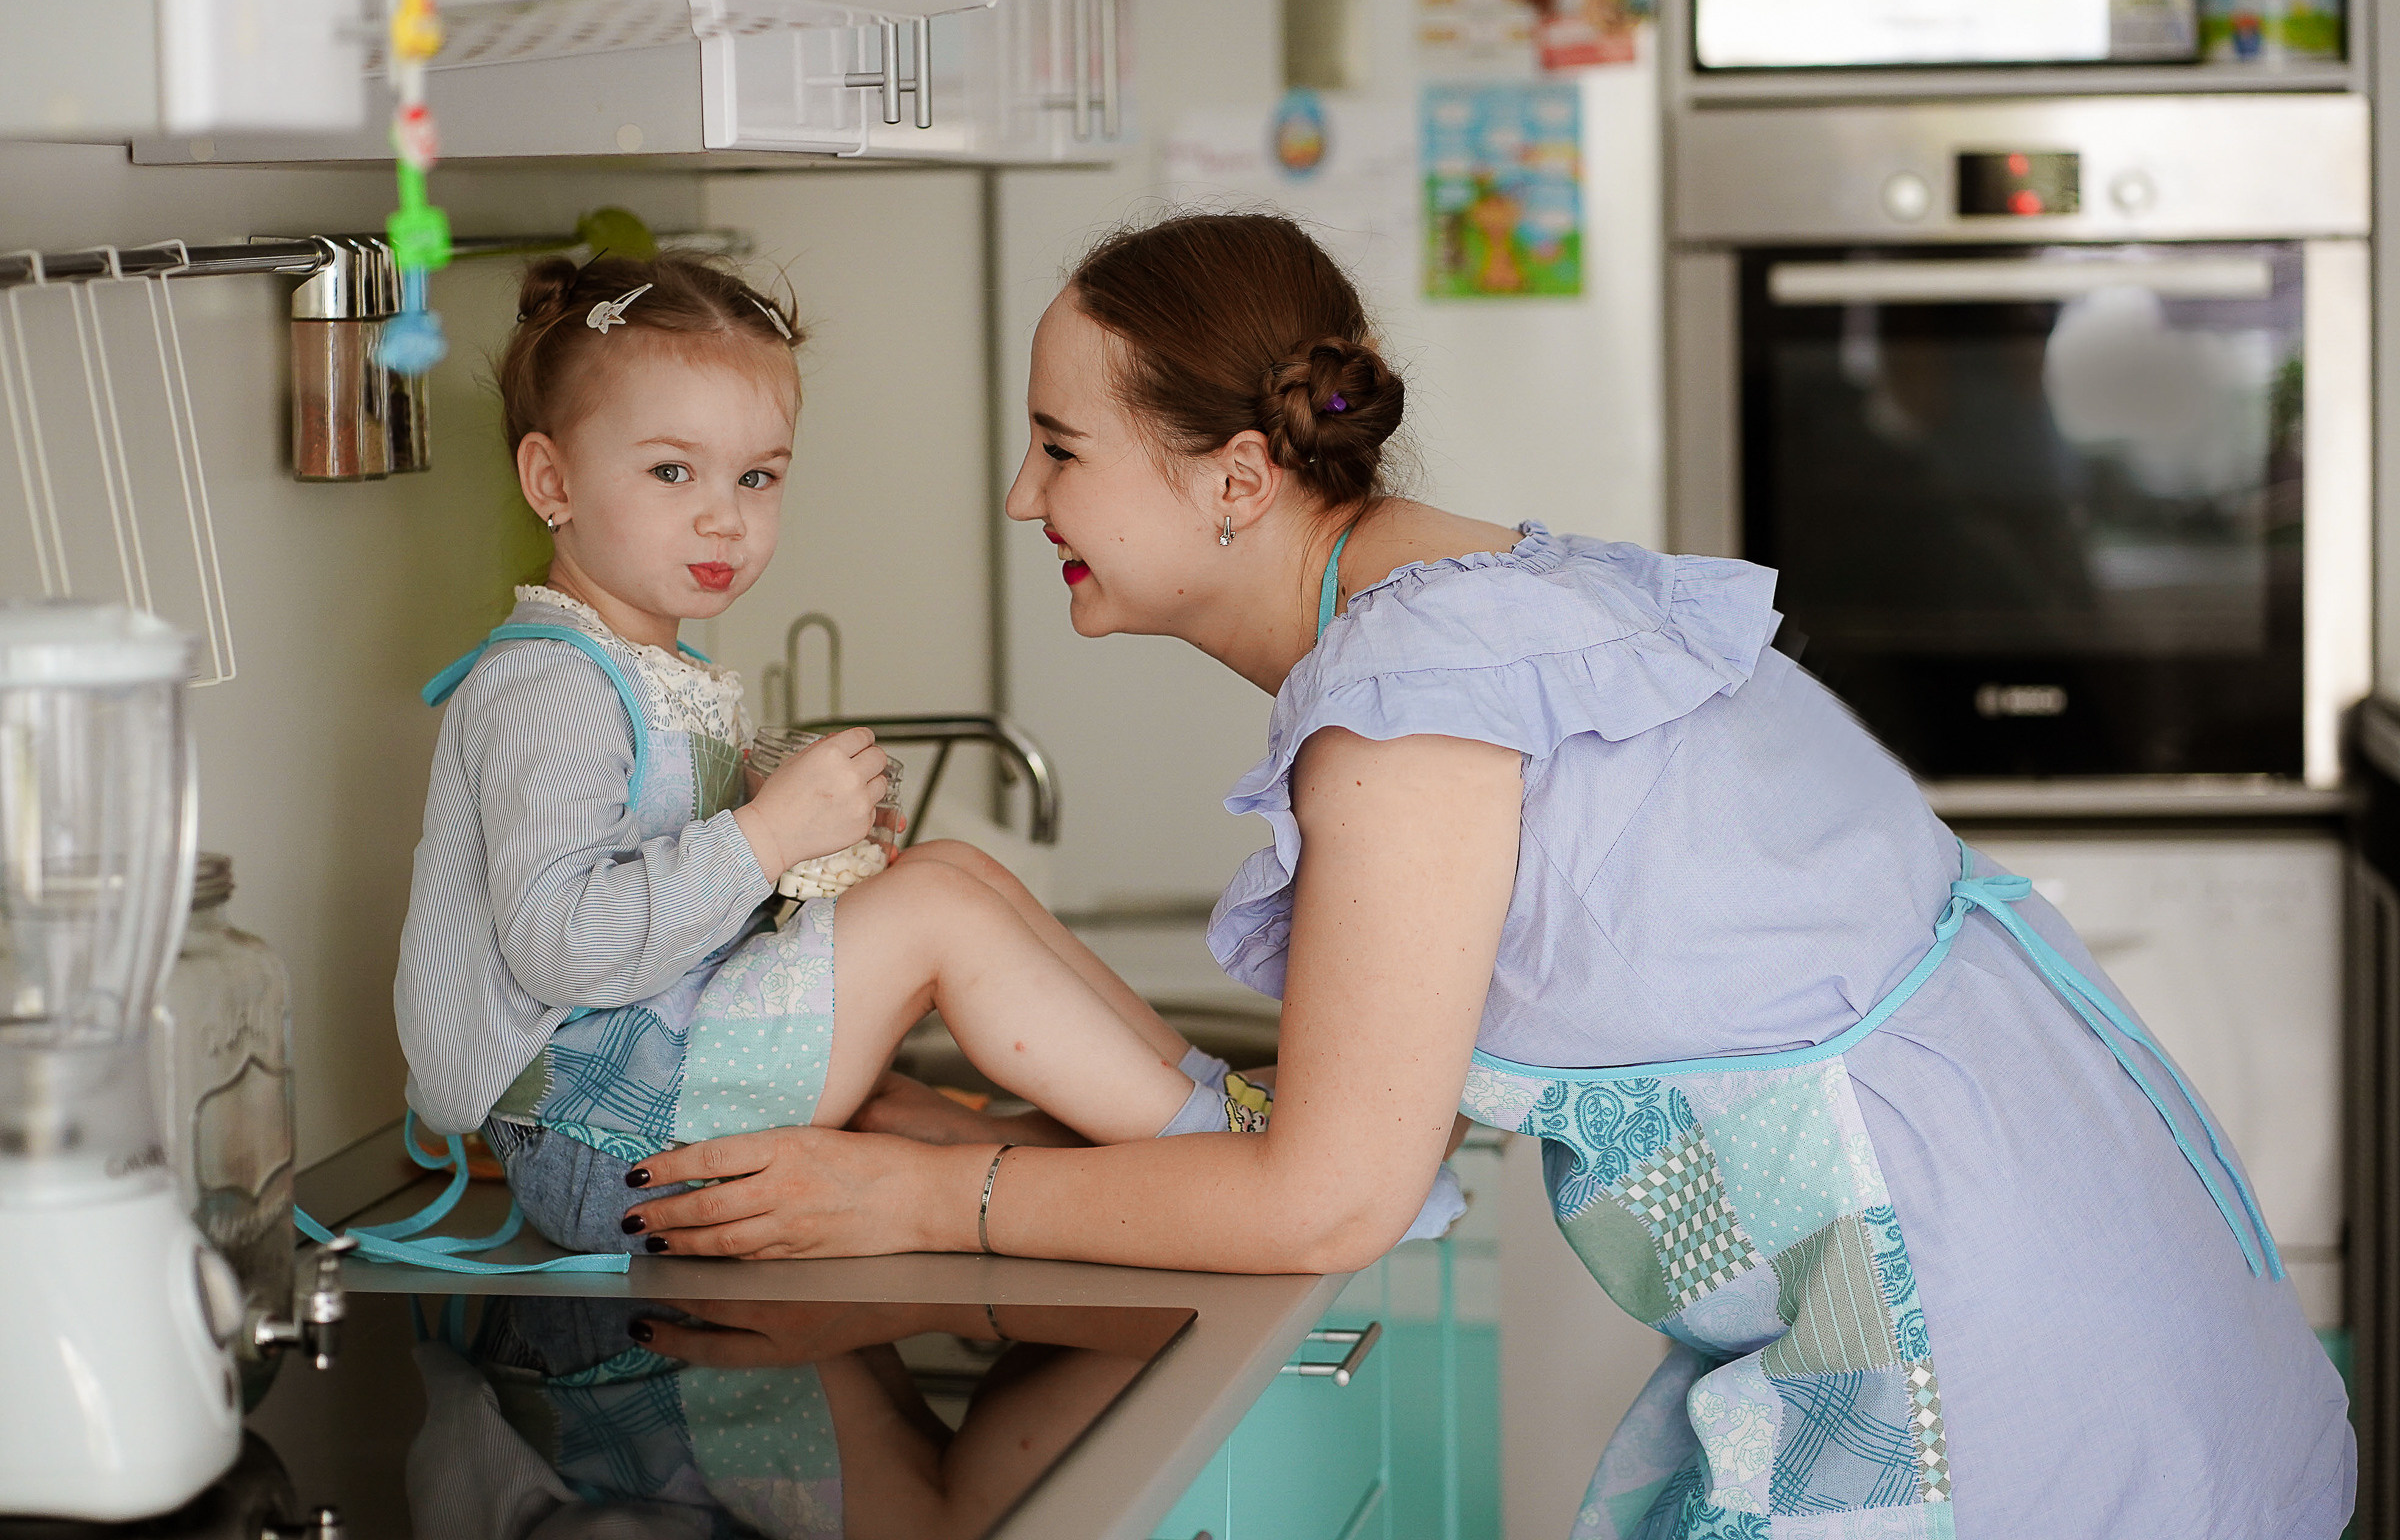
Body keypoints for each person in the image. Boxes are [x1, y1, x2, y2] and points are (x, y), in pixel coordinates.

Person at [625, 214, 2354, 1537]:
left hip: (1989, 1368)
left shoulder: (1407, 709)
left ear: (1237, 477)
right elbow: (1370, 1098)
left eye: (1059, 445)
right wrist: (999, 1139)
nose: (1023, 495)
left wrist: (923, 1203)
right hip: (2051, 1269)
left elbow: (1329, 1195)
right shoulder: (1481, 608)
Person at [392, 252, 1349, 1258]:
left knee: (952, 873)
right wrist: (764, 837)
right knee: (937, 909)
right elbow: (563, 945)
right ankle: (1223, 1153)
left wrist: (791, 841)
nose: (726, 514)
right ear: (552, 479)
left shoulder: (638, 666)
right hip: (610, 1144)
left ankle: (1222, 1110)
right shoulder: (543, 686)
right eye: (673, 471)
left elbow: (651, 891)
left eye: (758, 476)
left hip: (653, 1096)